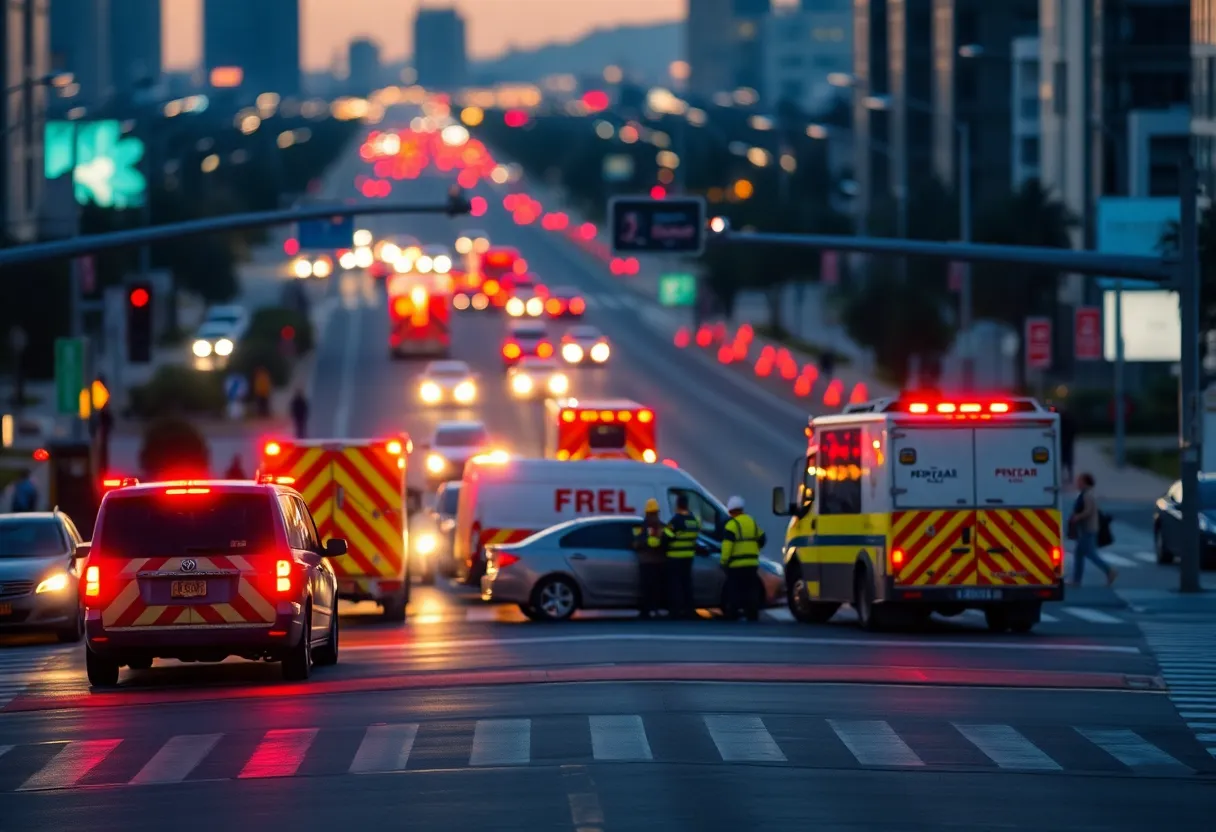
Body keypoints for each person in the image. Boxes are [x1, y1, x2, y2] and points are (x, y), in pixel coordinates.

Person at [721, 496, 766, 621]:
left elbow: (727, 546)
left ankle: (733, 614)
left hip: (736, 565)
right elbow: (762, 539)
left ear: (730, 511)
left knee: (735, 591)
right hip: (752, 563)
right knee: (751, 590)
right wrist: (753, 550)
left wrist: (724, 561)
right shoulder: (751, 521)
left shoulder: (731, 525)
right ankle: (752, 615)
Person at [1069, 472, 1117, 587]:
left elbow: (1088, 511)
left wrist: (1077, 517)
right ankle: (1076, 580)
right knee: (1080, 554)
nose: (1077, 483)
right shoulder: (1085, 494)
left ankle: (1109, 570)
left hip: (1088, 529)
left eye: (1079, 481)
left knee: (1090, 554)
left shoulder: (1087, 495)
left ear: (1084, 482)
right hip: (1087, 528)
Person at [662, 494, 701, 619]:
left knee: (675, 585)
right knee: (686, 584)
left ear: (678, 504)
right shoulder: (693, 521)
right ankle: (689, 610)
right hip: (688, 557)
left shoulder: (676, 521)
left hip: (675, 557)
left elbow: (665, 538)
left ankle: (675, 611)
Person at [631, 498, 666, 618]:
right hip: (655, 562)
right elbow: (636, 544)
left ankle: (648, 610)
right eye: (653, 513)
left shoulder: (642, 527)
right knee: (653, 587)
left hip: (648, 562)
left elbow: (636, 544)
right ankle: (651, 610)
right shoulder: (660, 527)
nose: (653, 516)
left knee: (649, 588)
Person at [1058, 406, 1077, 482]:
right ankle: (1070, 476)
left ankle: (1061, 475)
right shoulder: (1071, 418)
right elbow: (1075, 428)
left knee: (1062, 460)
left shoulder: (1060, 419)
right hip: (1068, 442)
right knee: (1069, 460)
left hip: (1062, 441)